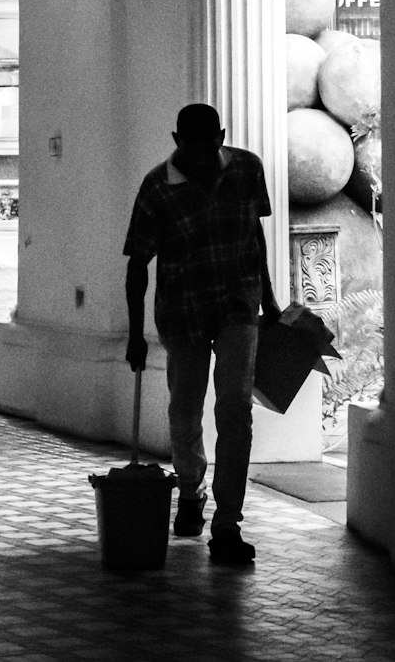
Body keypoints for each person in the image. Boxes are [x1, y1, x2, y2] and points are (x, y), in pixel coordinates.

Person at [123, 102, 281, 566]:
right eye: (190, 149)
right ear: (176, 141)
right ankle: (190, 489)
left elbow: (254, 234)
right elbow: (137, 265)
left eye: (208, 147)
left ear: (221, 136)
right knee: (185, 410)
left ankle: (227, 524)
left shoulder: (247, 169)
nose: (200, 158)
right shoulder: (157, 188)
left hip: (237, 305)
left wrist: (268, 298)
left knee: (235, 408)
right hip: (183, 311)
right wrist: (136, 333)